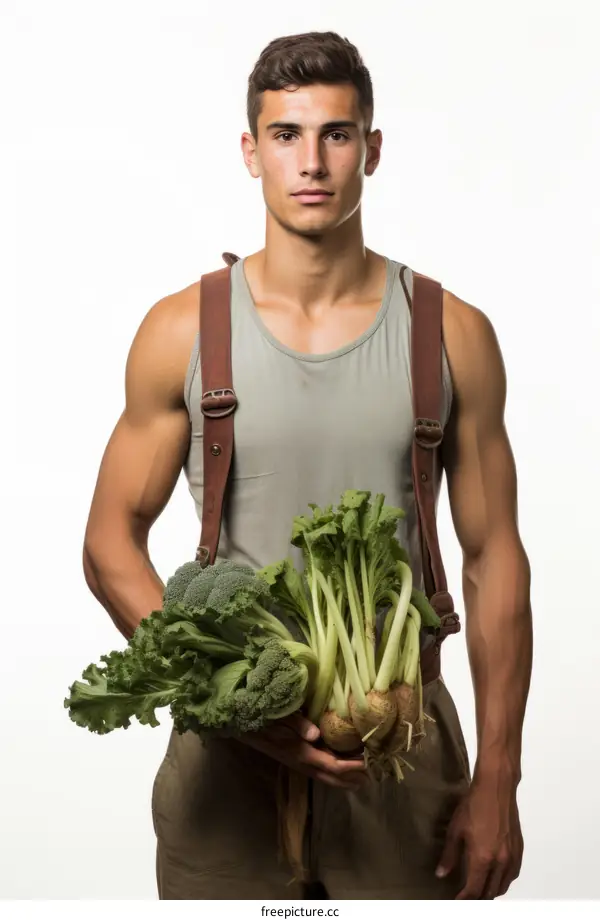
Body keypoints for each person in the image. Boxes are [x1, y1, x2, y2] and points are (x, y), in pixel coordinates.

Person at [81, 30, 532, 900]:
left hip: (400, 743)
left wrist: (501, 778)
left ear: (371, 148)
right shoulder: (182, 330)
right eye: (285, 135)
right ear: (252, 153)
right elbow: (108, 544)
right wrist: (225, 698)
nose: (312, 160)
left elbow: (494, 558)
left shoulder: (453, 335)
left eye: (336, 133)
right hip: (226, 763)